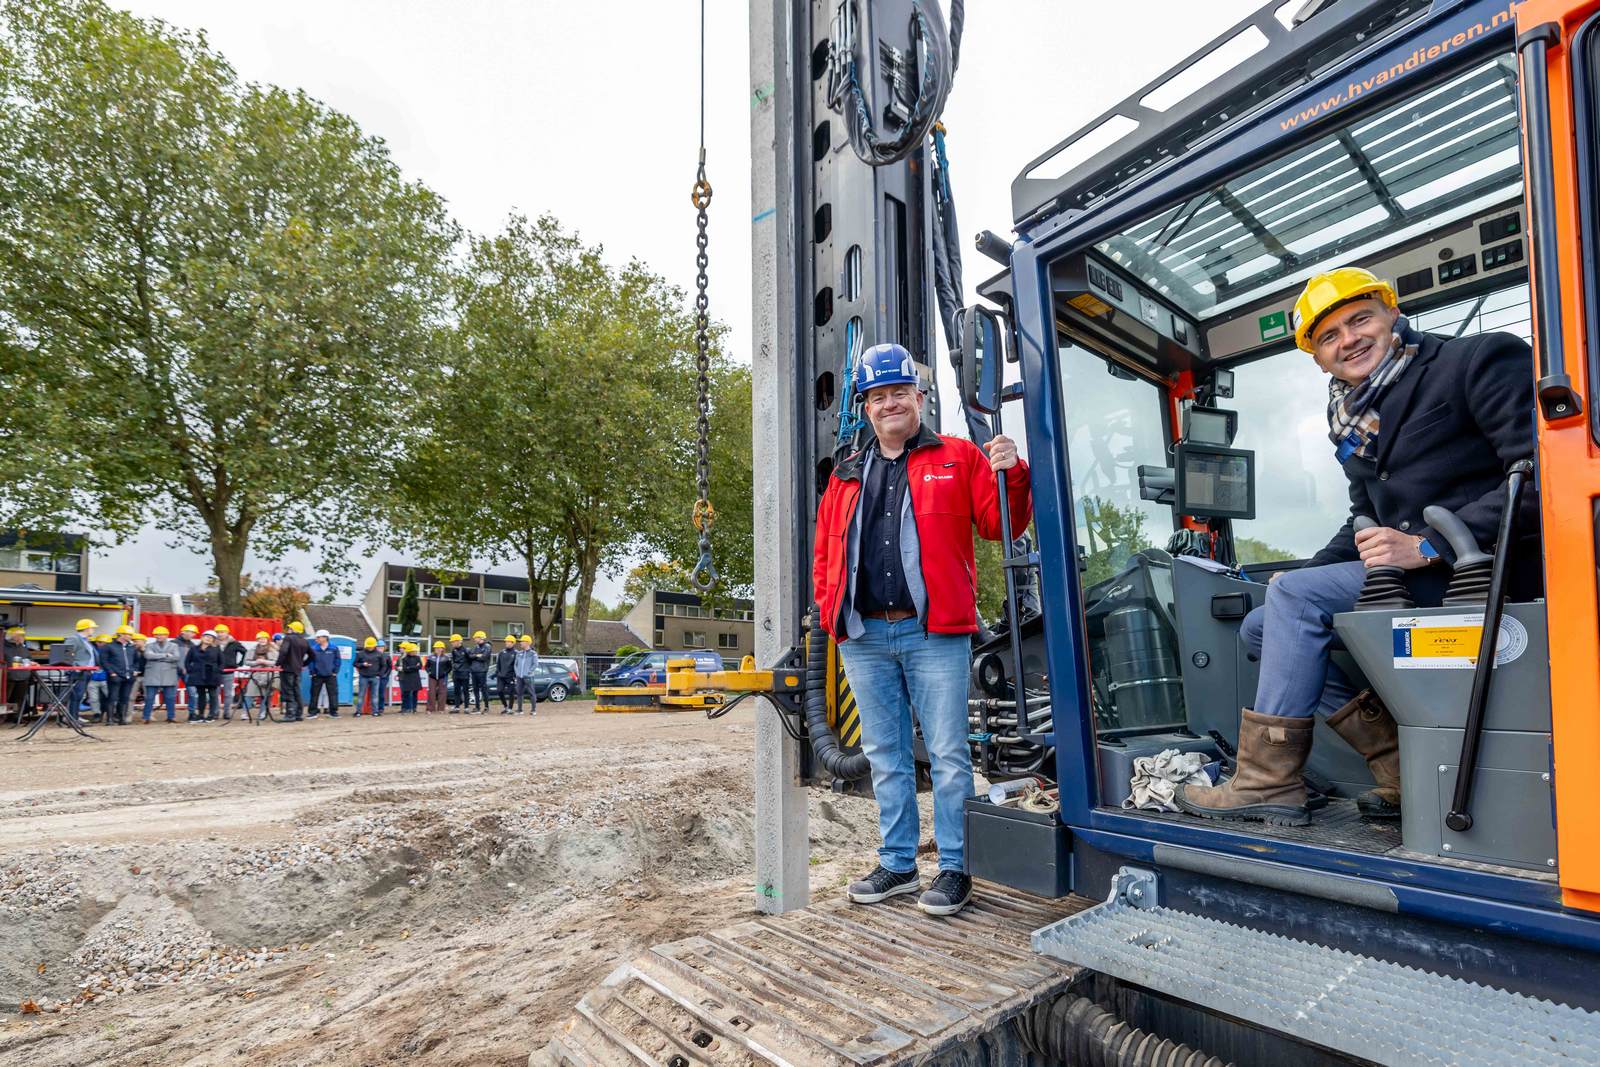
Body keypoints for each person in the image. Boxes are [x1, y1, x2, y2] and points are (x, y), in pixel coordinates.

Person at [1177, 267, 1539, 827]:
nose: (1348, 339)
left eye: (1360, 319)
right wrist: (1305, 575)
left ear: (1392, 314)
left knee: (1297, 600)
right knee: (1264, 623)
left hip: (1486, 573)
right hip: (1420, 582)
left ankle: (1266, 782)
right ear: (1318, 358)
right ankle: (1400, 767)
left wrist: (1427, 544)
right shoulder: (1354, 423)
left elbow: (1539, 475)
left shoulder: (1476, 360)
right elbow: (1363, 520)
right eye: (1328, 336)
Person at [813, 342, 1031, 917]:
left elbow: (996, 524)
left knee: (949, 755)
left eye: (899, 393)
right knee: (885, 754)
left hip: (935, 633)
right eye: (877, 396)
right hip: (864, 636)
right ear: (865, 406)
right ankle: (899, 864)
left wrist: (1012, 473)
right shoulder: (846, 475)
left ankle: (957, 868)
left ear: (919, 396)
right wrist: (831, 612)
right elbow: (825, 556)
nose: (890, 404)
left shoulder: (958, 457)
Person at [140, 627, 182, 724]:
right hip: (152, 675)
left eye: (161, 634)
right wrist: (166, 655)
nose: (158, 636)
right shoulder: (150, 645)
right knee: (149, 697)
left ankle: (171, 717)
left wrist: (157, 656)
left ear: (166, 635)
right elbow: (148, 656)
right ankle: (146, 717)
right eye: (157, 634)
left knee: (170, 697)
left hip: (169, 675)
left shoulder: (174, 645)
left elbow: (176, 657)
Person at [101, 625, 138, 726]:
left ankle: (122, 718)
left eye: (131, 634)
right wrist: (111, 673)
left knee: (125, 698)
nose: (130, 636)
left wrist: (134, 670)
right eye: (128, 634)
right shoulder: (109, 647)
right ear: (120, 634)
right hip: (115, 676)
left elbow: (136, 661)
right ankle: (110, 719)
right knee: (112, 697)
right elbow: (104, 661)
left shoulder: (132, 648)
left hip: (128, 677)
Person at [186, 630, 224, 723]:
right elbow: (187, 661)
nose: (208, 639)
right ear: (202, 637)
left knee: (212, 695)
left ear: (213, 640)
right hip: (198, 674)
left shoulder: (216, 649)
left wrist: (218, 671)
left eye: (211, 638)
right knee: (201, 695)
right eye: (206, 636)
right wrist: (191, 670)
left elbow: (222, 662)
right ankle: (201, 714)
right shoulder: (193, 648)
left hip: (212, 674)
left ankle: (211, 715)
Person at [276, 621, 311, 722]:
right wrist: (303, 663)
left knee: (288, 691)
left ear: (293, 629)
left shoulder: (288, 638)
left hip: (287, 669)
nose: (288, 630)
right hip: (298, 669)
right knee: (297, 691)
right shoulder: (304, 641)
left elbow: (283, 651)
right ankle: (298, 714)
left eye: (289, 628)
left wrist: (278, 663)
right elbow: (313, 655)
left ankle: (290, 714)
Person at [242, 631, 278, 722]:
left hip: (268, 675)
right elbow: (246, 661)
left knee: (266, 695)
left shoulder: (273, 650)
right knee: (249, 694)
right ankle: (245, 713)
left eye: (263, 638)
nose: (262, 640)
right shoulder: (252, 650)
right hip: (255, 675)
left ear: (267, 639)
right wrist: (255, 662)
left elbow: (276, 662)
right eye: (260, 639)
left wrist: (266, 662)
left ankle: (263, 713)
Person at [64, 618, 98, 715]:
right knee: (76, 696)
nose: (93, 630)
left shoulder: (86, 641)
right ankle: (72, 719)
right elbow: (66, 655)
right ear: (86, 628)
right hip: (78, 672)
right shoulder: (74, 639)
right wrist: (76, 667)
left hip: (87, 672)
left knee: (80, 696)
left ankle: (75, 717)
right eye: (92, 628)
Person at [307, 629, 341, 718]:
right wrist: (312, 672)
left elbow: (338, 660)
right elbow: (310, 661)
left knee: (333, 694)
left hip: (330, 675)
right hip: (317, 675)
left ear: (325, 638)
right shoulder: (314, 649)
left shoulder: (334, 648)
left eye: (318, 637)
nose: (316, 639)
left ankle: (333, 712)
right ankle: (313, 712)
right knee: (314, 694)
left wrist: (335, 671)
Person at [217, 624, 248, 720]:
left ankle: (227, 713)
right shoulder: (214, 643)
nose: (220, 634)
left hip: (229, 670)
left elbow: (244, 651)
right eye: (218, 632)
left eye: (222, 632)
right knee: (215, 693)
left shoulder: (234, 643)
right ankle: (215, 712)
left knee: (227, 693)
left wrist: (240, 662)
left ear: (227, 633)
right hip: (216, 671)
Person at [4, 625, 32, 721]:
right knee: (4, 699)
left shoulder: (22, 647)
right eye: (20, 635)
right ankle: (3, 717)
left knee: (19, 699)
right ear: (13, 636)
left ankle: (16, 717)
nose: (22, 638)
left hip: (23, 677)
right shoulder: (3, 647)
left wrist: (31, 663)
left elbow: (28, 659)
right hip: (8, 677)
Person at [354, 636, 384, 717]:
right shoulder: (361, 654)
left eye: (371, 646)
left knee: (375, 695)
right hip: (363, 676)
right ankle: (358, 711)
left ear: (374, 646)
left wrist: (379, 675)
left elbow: (383, 665)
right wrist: (362, 664)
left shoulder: (379, 654)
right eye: (368, 646)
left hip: (375, 677)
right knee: (361, 695)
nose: (370, 648)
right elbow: (355, 663)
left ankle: (375, 711)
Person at [512, 634, 540, 716]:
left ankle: (533, 710)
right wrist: (517, 673)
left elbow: (535, 664)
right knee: (519, 693)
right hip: (519, 677)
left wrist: (529, 672)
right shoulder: (519, 653)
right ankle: (519, 710)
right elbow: (515, 664)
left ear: (527, 643)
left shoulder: (533, 653)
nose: (520, 643)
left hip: (528, 677)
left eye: (522, 641)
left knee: (531, 693)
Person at [87, 633, 113, 721]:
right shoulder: (92, 652)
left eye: (105, 643)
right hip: (93, 678)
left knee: (111, 697)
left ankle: (113, 714)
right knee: (94, 699)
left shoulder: (111, 653)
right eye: (101, 642)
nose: (102, 644)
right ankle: (97, 714)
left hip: (106, 679)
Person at [466, 631, 492, 712]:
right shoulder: (475, 647)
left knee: (484, 689)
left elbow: (484, 657)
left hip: (482, 671)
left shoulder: (487, 646)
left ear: (481, 638)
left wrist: (475, 656)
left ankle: (486, 707)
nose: (474, 639)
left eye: (476, 638)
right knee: (475, 689)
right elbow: (470, 656)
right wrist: (477, 655)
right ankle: (477, 707)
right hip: (474, 671)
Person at [397, 642, 423, 714]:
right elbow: (405, 669)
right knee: (407, 693)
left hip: (415, 678)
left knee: (415, 693)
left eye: (415, 651)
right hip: (407, 678)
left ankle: (414, 708)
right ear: (409, 651)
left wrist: (410, 667)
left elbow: (420, 666)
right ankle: (406, 708)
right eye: (414, 651)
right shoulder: (405, 659)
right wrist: (414, 667)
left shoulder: (418, 657)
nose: (415, 652)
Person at [495, 635, 518, 714]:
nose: (506, 643)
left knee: (511, 692)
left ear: (513, 643)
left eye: (508, 642)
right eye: (506, 642)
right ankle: (505, 706)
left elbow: (517, 665)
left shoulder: (516, 653)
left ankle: (510, 709)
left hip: (510, 676)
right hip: (501, 676)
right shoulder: (502, 652)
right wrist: (498, 672)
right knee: (499, 691)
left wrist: (515, 675)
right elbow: (498, 664)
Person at [426, 641, 450, 714]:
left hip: (442, 677)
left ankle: (441, 709)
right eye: (436, 648)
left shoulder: (446, 658)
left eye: (439, 648)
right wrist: (429, 672)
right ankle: (430, 709)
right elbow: (427, 666)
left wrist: (445, 673)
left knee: (442, 692)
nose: (437, 649)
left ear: (443, 649)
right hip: (432, 677)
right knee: (431, 692)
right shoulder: (430, 657)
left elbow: (449, 667)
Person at [448, 634, 469, 712]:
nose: (452, 643)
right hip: (456, 673)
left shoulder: (466, 650)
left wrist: (466, 668)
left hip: (464, 673)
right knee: (456, 690)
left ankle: (466, 707)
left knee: (465, 690)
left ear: (458, 641)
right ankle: (457, 707)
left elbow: (469, 660)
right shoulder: (453, 650)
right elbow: (453, 661)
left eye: (453, 642)